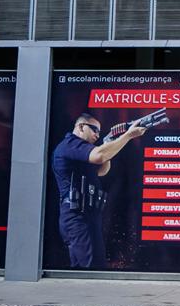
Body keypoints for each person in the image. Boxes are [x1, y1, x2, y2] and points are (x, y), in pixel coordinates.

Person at [51, 112, 146, 270]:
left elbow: (102, 170)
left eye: (99, 132)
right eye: (94, 129)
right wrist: (128, 136)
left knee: (92, 265)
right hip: (78, 215)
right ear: (81, 127)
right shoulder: (71, 144)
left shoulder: (82, 150)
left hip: (87, 215)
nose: (97, 135)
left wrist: (109, 144)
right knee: (89, 268)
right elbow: (100, 156)